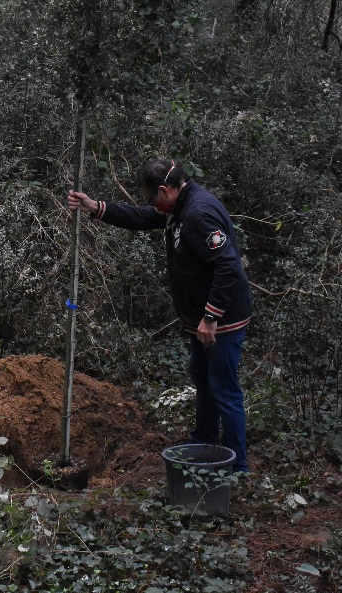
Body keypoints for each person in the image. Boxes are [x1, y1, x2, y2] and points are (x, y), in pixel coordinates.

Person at [67, 159, 252, 473]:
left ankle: (238, 468)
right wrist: (96, 207)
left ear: (165, 190)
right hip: (201, 319)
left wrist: (211, 316)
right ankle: (204, 441)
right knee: (204, 380)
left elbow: (229, 267)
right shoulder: (179, 206)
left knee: (223, 388)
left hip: (221, 319)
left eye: (152, 197)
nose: (152, 204)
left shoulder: (198, 213)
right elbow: (143, 217)